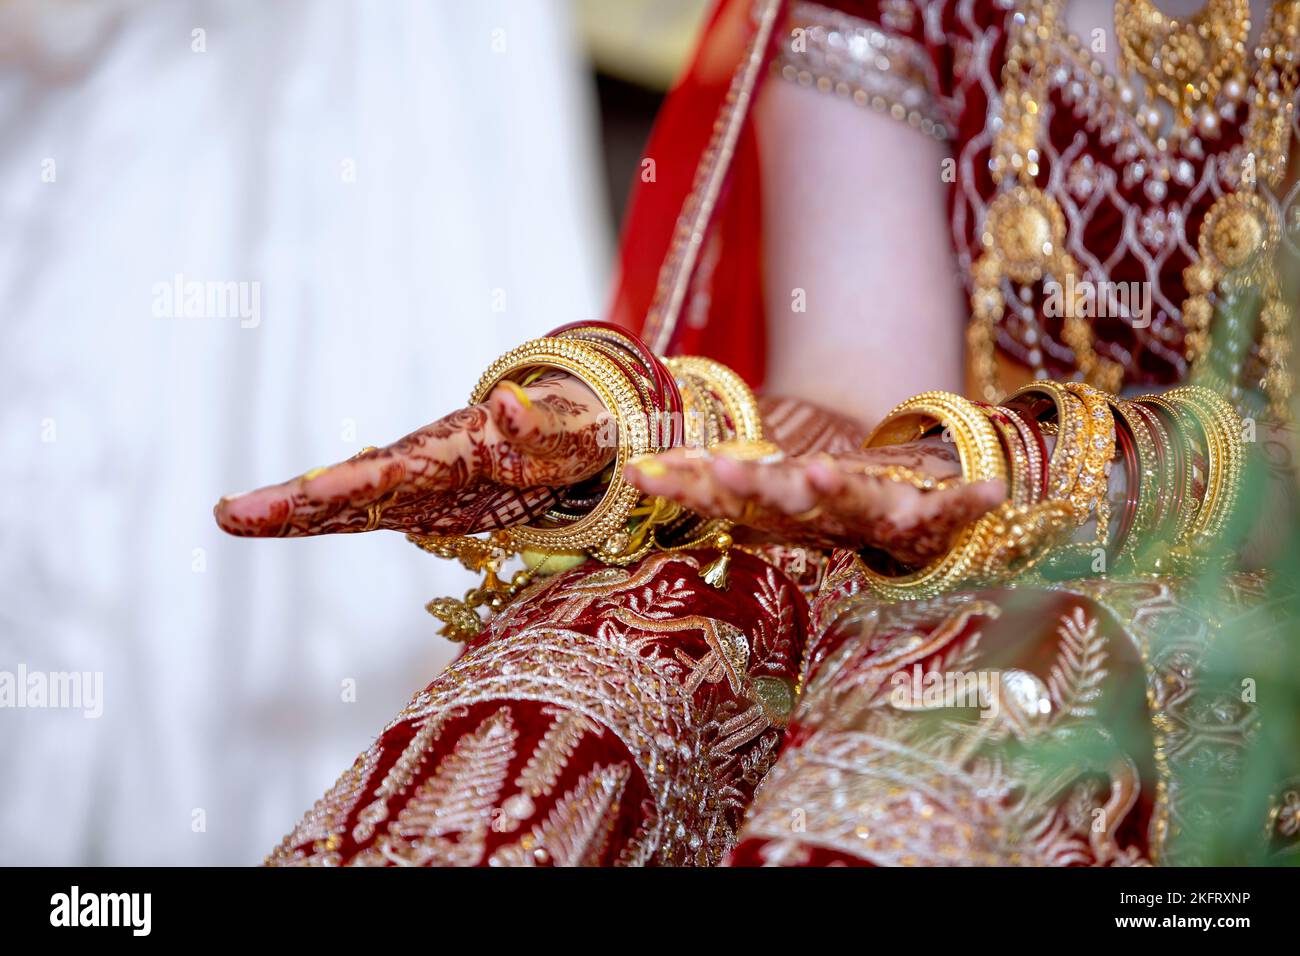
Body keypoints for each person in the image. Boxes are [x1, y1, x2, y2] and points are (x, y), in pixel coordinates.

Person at [216, 0, 1300, 866]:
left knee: (974, 695)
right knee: (630, 619)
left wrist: (1029, 472)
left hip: (1259, 582)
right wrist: (632, 429)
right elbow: (857, 384)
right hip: (948, 505)